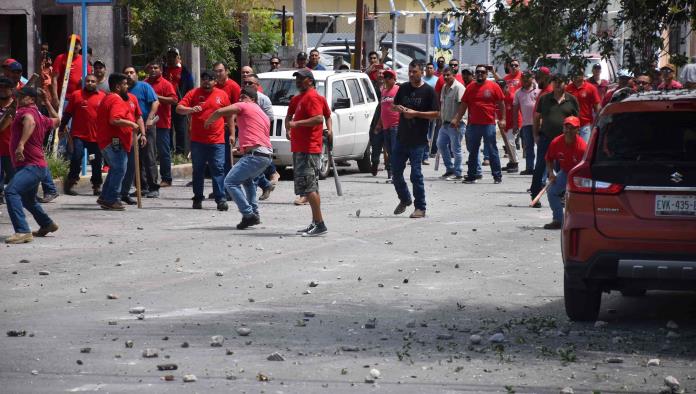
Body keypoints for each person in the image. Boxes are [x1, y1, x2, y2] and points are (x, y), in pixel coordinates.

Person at [205, 86, 273, 229]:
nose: (240, 100)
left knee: (230, 182)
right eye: (240, 97)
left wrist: (208, 121)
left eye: (244, 97)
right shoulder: (262, 114)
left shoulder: (246, 106)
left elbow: (219, 111)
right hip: (265, 155)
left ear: (252, 99)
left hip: (256, 154)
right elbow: (256, 135)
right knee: (247, 181)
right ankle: (254, 213)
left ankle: (248, 215)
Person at [4, 86, 60, 244]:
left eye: (21, 96)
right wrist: (48, 103)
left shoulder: (26, 112)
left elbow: (30, 121)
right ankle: (47, 224)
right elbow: (57, 121)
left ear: (31, 99)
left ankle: (22, 231)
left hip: (32, 165)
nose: (17, 98)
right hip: (36, 166)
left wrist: (21, 144)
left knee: (11, 192)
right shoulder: (41, 116)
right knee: (28, 199)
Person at [176, 70, 232, 211]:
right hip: (198, 141)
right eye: (204, 79)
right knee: (198, 170)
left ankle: (221, 199)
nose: (207, 81)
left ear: (215, 81)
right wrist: (190, 109)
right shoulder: (193, 93)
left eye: (210, 79)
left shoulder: (222, 95)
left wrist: (232, 134)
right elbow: (179, 108)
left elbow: (229, 114)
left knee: (218, 169)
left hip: (217, 140)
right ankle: (198, 197)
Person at [390, 60, 439, 218]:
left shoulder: (429, 91)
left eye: (414, 72)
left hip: (418, 141)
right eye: (410, 71)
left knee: (415, 175)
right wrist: (399, 108)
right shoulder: (403, 88)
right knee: (395, 173)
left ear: (422, 72)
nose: (411, 74)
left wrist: (415, 113)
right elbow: (394, 105)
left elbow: (436, 114)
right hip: (401, 138)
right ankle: (405, 199)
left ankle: (420, 208)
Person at [285, 69, 330, 236]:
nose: (298, 81)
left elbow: (319, 118)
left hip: (309, 148)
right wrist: (288, 128)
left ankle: (320, 223)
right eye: (297, 78)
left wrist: (296, 124)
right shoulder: (297, 99)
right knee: (309, 187)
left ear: (310, 81)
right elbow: (289, 117)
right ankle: (315, 222)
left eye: (301, 78)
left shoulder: (312, 97)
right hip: (299, 147)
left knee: (310, 187)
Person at [96, 73, 143, 211]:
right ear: (117, 86)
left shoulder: (109, 98)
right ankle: (112, 199)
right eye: (124, 84)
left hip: (110, 140)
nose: (127, 87)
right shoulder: (116, 100)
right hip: (113, 141)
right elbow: (114, 119)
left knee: (115, 169)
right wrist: (132, 124)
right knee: (120, 169)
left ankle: (105, 197)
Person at [530, 74, 579, 207]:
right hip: (546, 138)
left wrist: (574, 138)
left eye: (560, 82)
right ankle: (535, 195)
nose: (557, 84)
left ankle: (562, 195)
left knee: (562, 168)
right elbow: (536, 118)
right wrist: (535, 135)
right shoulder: (544, 99)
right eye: (555, 82)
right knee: (540, 166)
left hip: (564, 140)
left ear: (565, 83)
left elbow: (576, 121)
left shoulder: (572, 100)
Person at [453, 64, 506, 184]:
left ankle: (497, 176)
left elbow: (501, 103)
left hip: (489, 124)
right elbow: (463, 105)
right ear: (475, 74)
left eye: (483, 72)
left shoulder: (493, 86)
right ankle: (472, 175)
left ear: (487, 74)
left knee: (492, 150)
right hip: (473, 124)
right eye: (478, 72)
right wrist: (457, 119)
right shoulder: (471, 87)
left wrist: (503, 119)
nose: (480, 74)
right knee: (473, 151)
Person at [59, 74, 105, 196]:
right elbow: (68, 113)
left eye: (93, 81)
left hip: (95, 137)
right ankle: (72, 181)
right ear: (85, 82)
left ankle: (96, 185)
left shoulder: (102, 96)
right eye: (88, 81)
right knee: (76, 157)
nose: (90, 83)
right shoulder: (76, 95)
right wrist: (62, 127)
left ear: (97, 83)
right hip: (78, 135)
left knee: (95, 161)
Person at [543, 115, 587, 229]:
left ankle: (580, 221)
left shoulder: (582, 147)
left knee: (577, 197)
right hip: (565, 171)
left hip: (579, 174)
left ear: (578, 129)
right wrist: (551, 173)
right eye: (566, 127)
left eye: (572, 128)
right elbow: (549, 159)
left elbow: (586, 167)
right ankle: (558, 220)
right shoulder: (556, 142)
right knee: (552, 192)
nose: (568, 130)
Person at [123, 66, 159, 200]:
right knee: (135, 159)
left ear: (136, 75)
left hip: (147, 126)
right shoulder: (123, 91)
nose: (129, 75)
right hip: (131, 129)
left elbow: (155, 102)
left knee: (149, 157)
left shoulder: (144, 86)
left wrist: (149, 118)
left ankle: (153, 187)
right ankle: (141, 187)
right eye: (126, 73)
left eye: (132, 72)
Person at [242, 73, 277, 200]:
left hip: (259, 138)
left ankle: (251, 197)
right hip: (247, 137)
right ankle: (266, 184)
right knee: (251, 166)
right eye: (245, 83)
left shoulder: (264, 99)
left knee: (253, 164)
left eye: (250, 83)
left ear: (257, 85)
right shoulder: (243, 98)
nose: (247, 85)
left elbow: (270, 118)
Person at [145, 61, 178, 188]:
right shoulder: (145, 83)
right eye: (151, 67)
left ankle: (166, 178)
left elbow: (174, 100)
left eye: (156, 67)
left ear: (160, 70)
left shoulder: (166, 84)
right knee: (148, 153)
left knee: (163, 152)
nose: (153, 70)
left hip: (162, 124)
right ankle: (149, 180)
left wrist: (156, 97)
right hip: (147, 124)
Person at [163, 47, 194, 155]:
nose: (171, 58)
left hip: (179, 103)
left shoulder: (184, 71)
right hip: (166, 104)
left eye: (174, 56)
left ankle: (180, 152)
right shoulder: (163, 70)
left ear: (178, 57)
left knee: (180, 128)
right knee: (168, 128)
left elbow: (190, 86)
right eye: (169, 56)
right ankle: (169, 150)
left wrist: (186, 101)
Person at [213, 62, 241, 176]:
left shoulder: (233, 86)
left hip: (227, 127)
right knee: (216, 158)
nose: (218, 74)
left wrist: (231, 126)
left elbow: (238, 107)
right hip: (215, 127)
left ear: (227, 71)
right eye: (216, 71)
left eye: (220, 71)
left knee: (226, 158)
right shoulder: (213, 86)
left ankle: (227, 187)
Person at [437, 67, 466, 180]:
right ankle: (450, 169)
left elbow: (462, 106)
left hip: (456, 124)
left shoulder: (459, 88)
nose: (445, 77)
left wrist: (457, 119)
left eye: (448, 75)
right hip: (445, 124)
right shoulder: (444, 87)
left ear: (454, 75)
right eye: (444, 75)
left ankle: (458, 173)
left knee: (456, 149)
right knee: (441, 144)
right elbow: (443, 104)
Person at [51, 35, 92, 108]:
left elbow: (89, 78)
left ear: (80, 47)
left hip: (79, 100)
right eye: (71, 43)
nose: (73, 45)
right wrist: (55, 98)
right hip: (63, 100)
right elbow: (54, 79)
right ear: (67, 46)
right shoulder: (60, 58)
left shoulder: (84, 60)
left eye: (76, 44)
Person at [372, 69, 399, 178]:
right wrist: (379, 124)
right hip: (385, 126)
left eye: (389, 77)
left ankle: (395, 173)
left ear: (394, 79)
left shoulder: (398, 90)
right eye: (385, 77)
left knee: (394, 150)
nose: (386, 79)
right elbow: (383, 110)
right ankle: (391, 173)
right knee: (389, 151)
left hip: (396, 125)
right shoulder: (383, 91)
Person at [513, 71, 540, 175]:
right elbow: (515, 109)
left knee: (540, 146)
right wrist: (516, 124)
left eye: (527, 77)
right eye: (523, 78)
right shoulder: (518, 93)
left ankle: (540, 168)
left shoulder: (538, 90)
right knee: (528, 147)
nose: (525, 80)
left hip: (539, 123)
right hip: (526, 124)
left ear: (532, 78)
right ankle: (529, 168)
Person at [565, 70, 601, 142]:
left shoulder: (591, 88)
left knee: (584, 149)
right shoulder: (568, 88)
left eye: (579, 74)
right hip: (570, 125)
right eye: (574, 74)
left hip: (585, 125)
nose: (576, 76)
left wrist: (599, 122)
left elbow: (597, 106)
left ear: (583, 76)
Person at [498, 79, 522, 173]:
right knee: (507, 143)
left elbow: (515, 113)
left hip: (514, 123)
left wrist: (515, 125)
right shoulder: (498, 98)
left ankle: (515, 163)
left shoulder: (511, 97)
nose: (500, 90)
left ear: (506, 87)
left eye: (501, 88)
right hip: (505, 124)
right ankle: (511, 161)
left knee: (511, 142)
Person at [0, 77, 16, 204]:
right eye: (1, 87)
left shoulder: (18, 106)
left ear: (12, 89)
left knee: (14, 178)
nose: (3, 90)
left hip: (11, 148)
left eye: (6, 87)